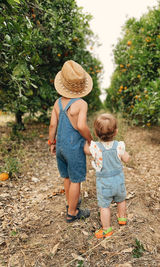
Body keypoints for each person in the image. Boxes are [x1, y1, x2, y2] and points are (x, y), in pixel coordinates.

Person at [48, 60, 93, 223]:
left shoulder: (57, 102)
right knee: (76, 180)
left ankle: (70, 204)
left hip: (60, 146)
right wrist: (90, 138)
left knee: (66, 177)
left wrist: (51, 142)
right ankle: (73, 212)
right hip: (74, 148)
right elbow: (81, 126)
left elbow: (53, 124)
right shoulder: (81, 104)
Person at [84, 113, 130, 238]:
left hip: (104, 183)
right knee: (121, 200)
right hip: (118, 180)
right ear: (116, 132)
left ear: (96, 133)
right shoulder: (119, 146)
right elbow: (126, 158)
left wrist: (85, 141)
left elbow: (86, 150)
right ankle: (122, 218)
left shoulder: (95, 147)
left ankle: (106, 229)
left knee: (104, 206)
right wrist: (123, 154)